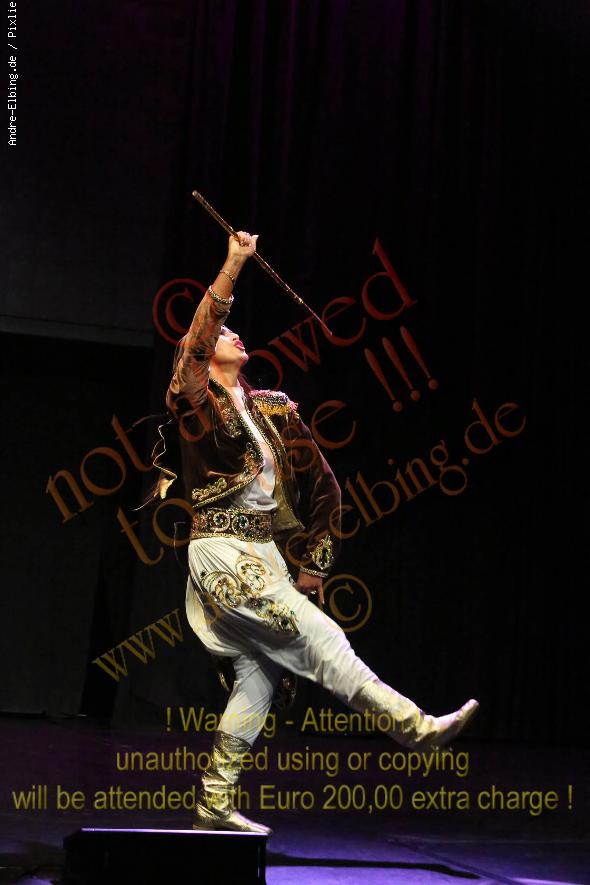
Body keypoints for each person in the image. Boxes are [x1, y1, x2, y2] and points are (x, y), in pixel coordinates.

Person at [154, 230, 479, 835]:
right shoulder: (194, 399)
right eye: (224, 332)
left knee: (258, 678)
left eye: (234, 331)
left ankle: (213, 805)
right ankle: (417, 730)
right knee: (325, 640)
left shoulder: (273, 409)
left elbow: (326, 487)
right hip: (222, 555)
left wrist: (314, 563)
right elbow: (197, 340)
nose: (233, 335)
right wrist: (233, 265)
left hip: (265, 558)